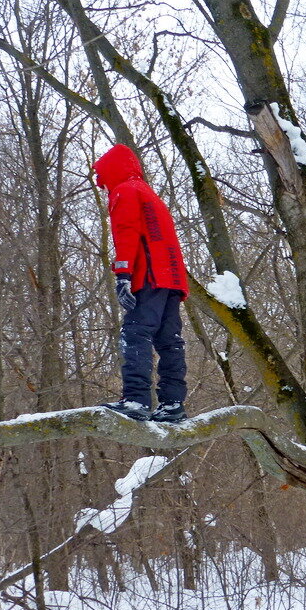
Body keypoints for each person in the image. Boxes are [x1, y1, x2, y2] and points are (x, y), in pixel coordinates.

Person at [92, 143, 189, 423]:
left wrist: (124, 274)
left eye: (102, 177)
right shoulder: (150, 194)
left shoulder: (125, 190)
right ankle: (172, 405)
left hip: (148, 275)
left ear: (112, 170)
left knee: (136, 333)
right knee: (169, 341)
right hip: (171, 278)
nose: (103, 185)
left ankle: (135, 400)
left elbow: (126, 233)